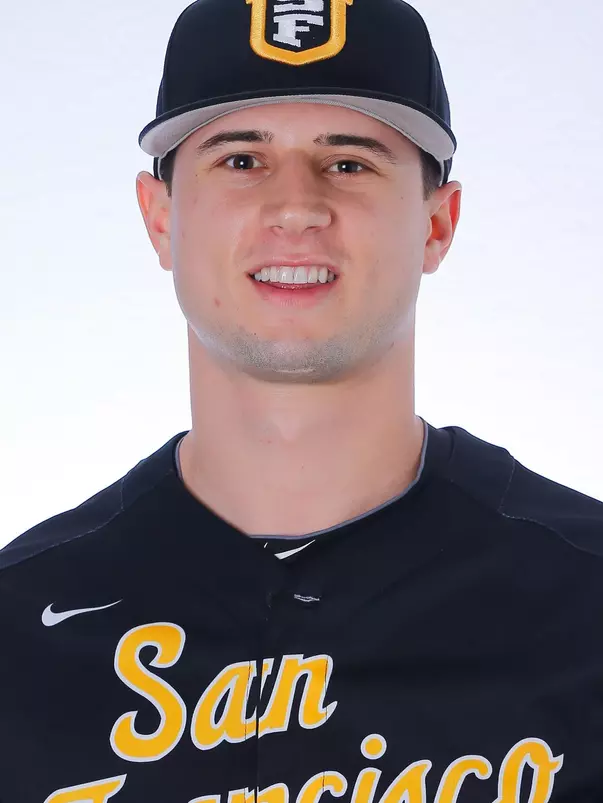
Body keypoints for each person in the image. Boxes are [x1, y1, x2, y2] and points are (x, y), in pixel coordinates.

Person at [1, 0, 602, 801]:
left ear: (436, 224)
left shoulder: (584, 604)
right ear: (160, 219)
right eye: (241, 159)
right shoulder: (19, 629)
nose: (295, 207)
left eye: (348, 163)